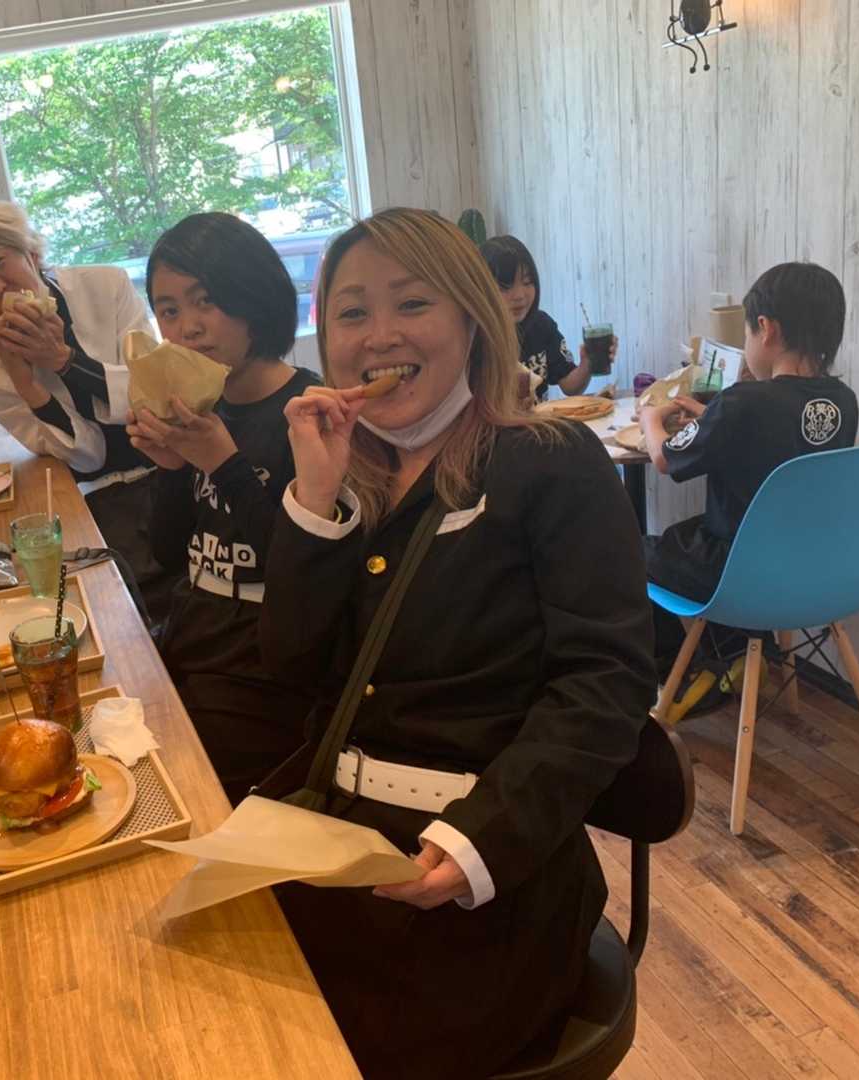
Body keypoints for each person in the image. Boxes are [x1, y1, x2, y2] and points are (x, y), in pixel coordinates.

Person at [260, 208, 655, 1078]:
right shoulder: (348, 473)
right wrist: (313, 498)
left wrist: (480, 843)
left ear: (473, 319)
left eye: (413, 304)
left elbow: (606, 680)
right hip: (338, 845)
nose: (380, 335)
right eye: (352, 312)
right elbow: (289, 665)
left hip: (488, 872)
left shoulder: (548, 460)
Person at [125, 213, 320, 803]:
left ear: (251, 297)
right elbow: (170, 555)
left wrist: (225, 465)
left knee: (169, 799)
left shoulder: (310, 413)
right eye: (168, 310)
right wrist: (171, 468)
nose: (187, 327)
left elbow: (300, 576)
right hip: (189, 652)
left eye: (204, 301)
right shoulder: (200, 409)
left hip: (266, 681)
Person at [0, 199, 180, 625]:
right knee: (107, 614)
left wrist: (65, 361)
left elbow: (153, 397)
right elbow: (88, 456)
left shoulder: (106, 287)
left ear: (30, 252)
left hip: (172, 472)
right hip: (95, 505)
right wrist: (28, 385)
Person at [640, 262, 858, 678]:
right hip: (815, 564)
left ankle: (683, 671)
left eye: (746, 336)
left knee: (631, 551)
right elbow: (779, 436)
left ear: (766, 329)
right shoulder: (844, 402)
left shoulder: (743, 402)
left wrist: (650, 417)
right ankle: (733, 658)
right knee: (685, 539)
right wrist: (712, 417)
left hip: (739, 572)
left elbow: (664, 458)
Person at [479, 234, 615, 399]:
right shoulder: (474, 338)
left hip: (540, 416)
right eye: (505, 287)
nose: (519, 295)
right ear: (482, 289)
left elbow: (570, 386)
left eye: (527, 282)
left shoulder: (541, 325)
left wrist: (587, 364)